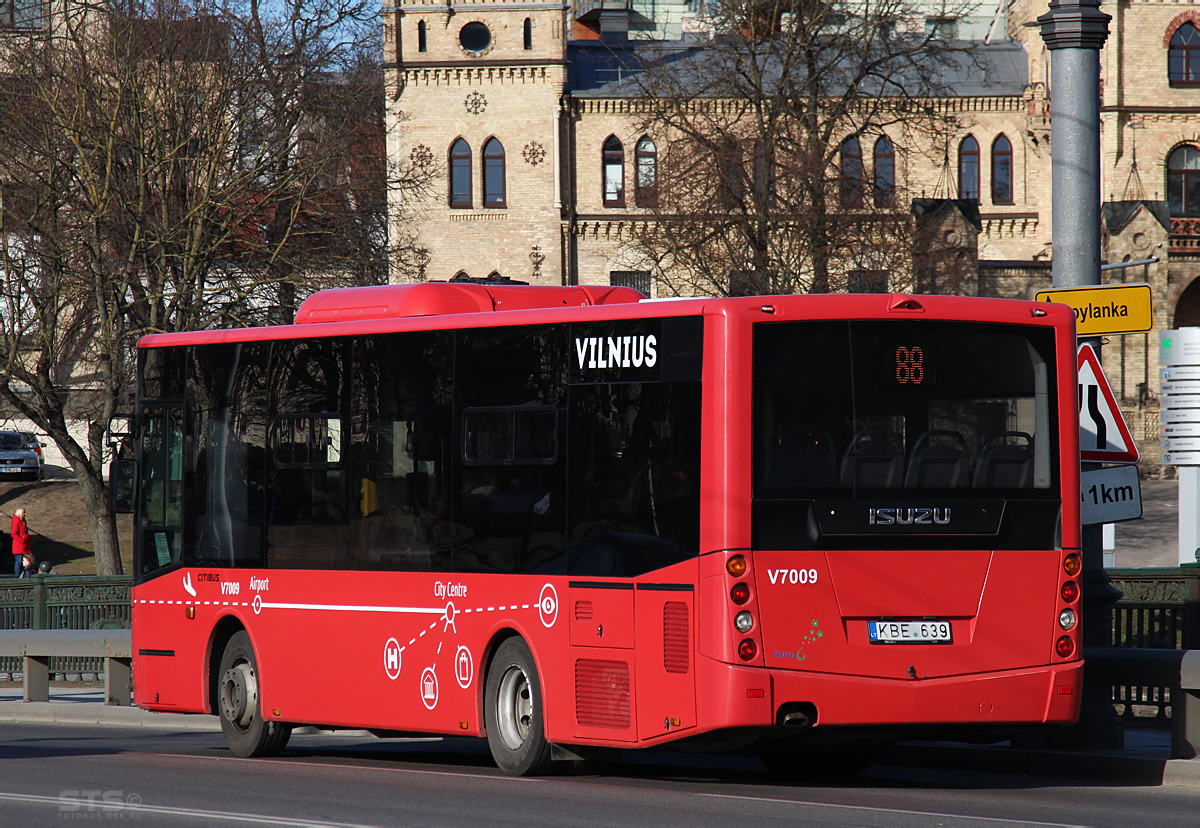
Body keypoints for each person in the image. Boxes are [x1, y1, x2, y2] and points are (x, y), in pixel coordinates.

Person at [12, 508, 32, 578]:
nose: (25, 514)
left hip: (24, 545)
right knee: (19, 561)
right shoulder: (17, 522)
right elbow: (13, 534)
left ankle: (25, 575)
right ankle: (18, 576)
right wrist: (22, 540)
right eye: (24, 513)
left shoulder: (23, 521)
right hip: (19, 545)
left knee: (26, 561)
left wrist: (28, 539)